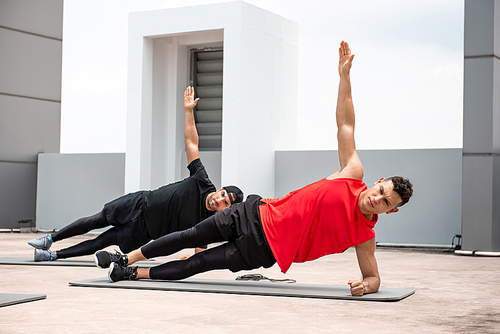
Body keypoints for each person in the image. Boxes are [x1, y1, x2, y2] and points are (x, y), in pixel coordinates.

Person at [102, 41, 413, 296]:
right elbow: (345, 124)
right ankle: (125, 256)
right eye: (381, 191)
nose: (377, 199)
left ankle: (133, 272)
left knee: (199, 264)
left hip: (263, 249)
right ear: (379, 182)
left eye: (386, 202)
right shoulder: (352, 173)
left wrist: (368, 286)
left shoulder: (365, 235)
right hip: (253, 213)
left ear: (391, 211)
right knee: (189, 235)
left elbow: (373, 276)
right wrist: (344, 77)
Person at [28, 86, 244, 264]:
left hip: (143, 230)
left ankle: (53, 255)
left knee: (101, 241)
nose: (219, 199)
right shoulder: (202, 181)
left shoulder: (208, 221)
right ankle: (50, 238)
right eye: (223, 193)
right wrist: (188, 111)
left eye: (224, 202)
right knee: (96, 219)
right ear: (221, 189)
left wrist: (190, 258)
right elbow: (191, 142)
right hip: (139, 202)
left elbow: (200, 251)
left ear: (227, 208)